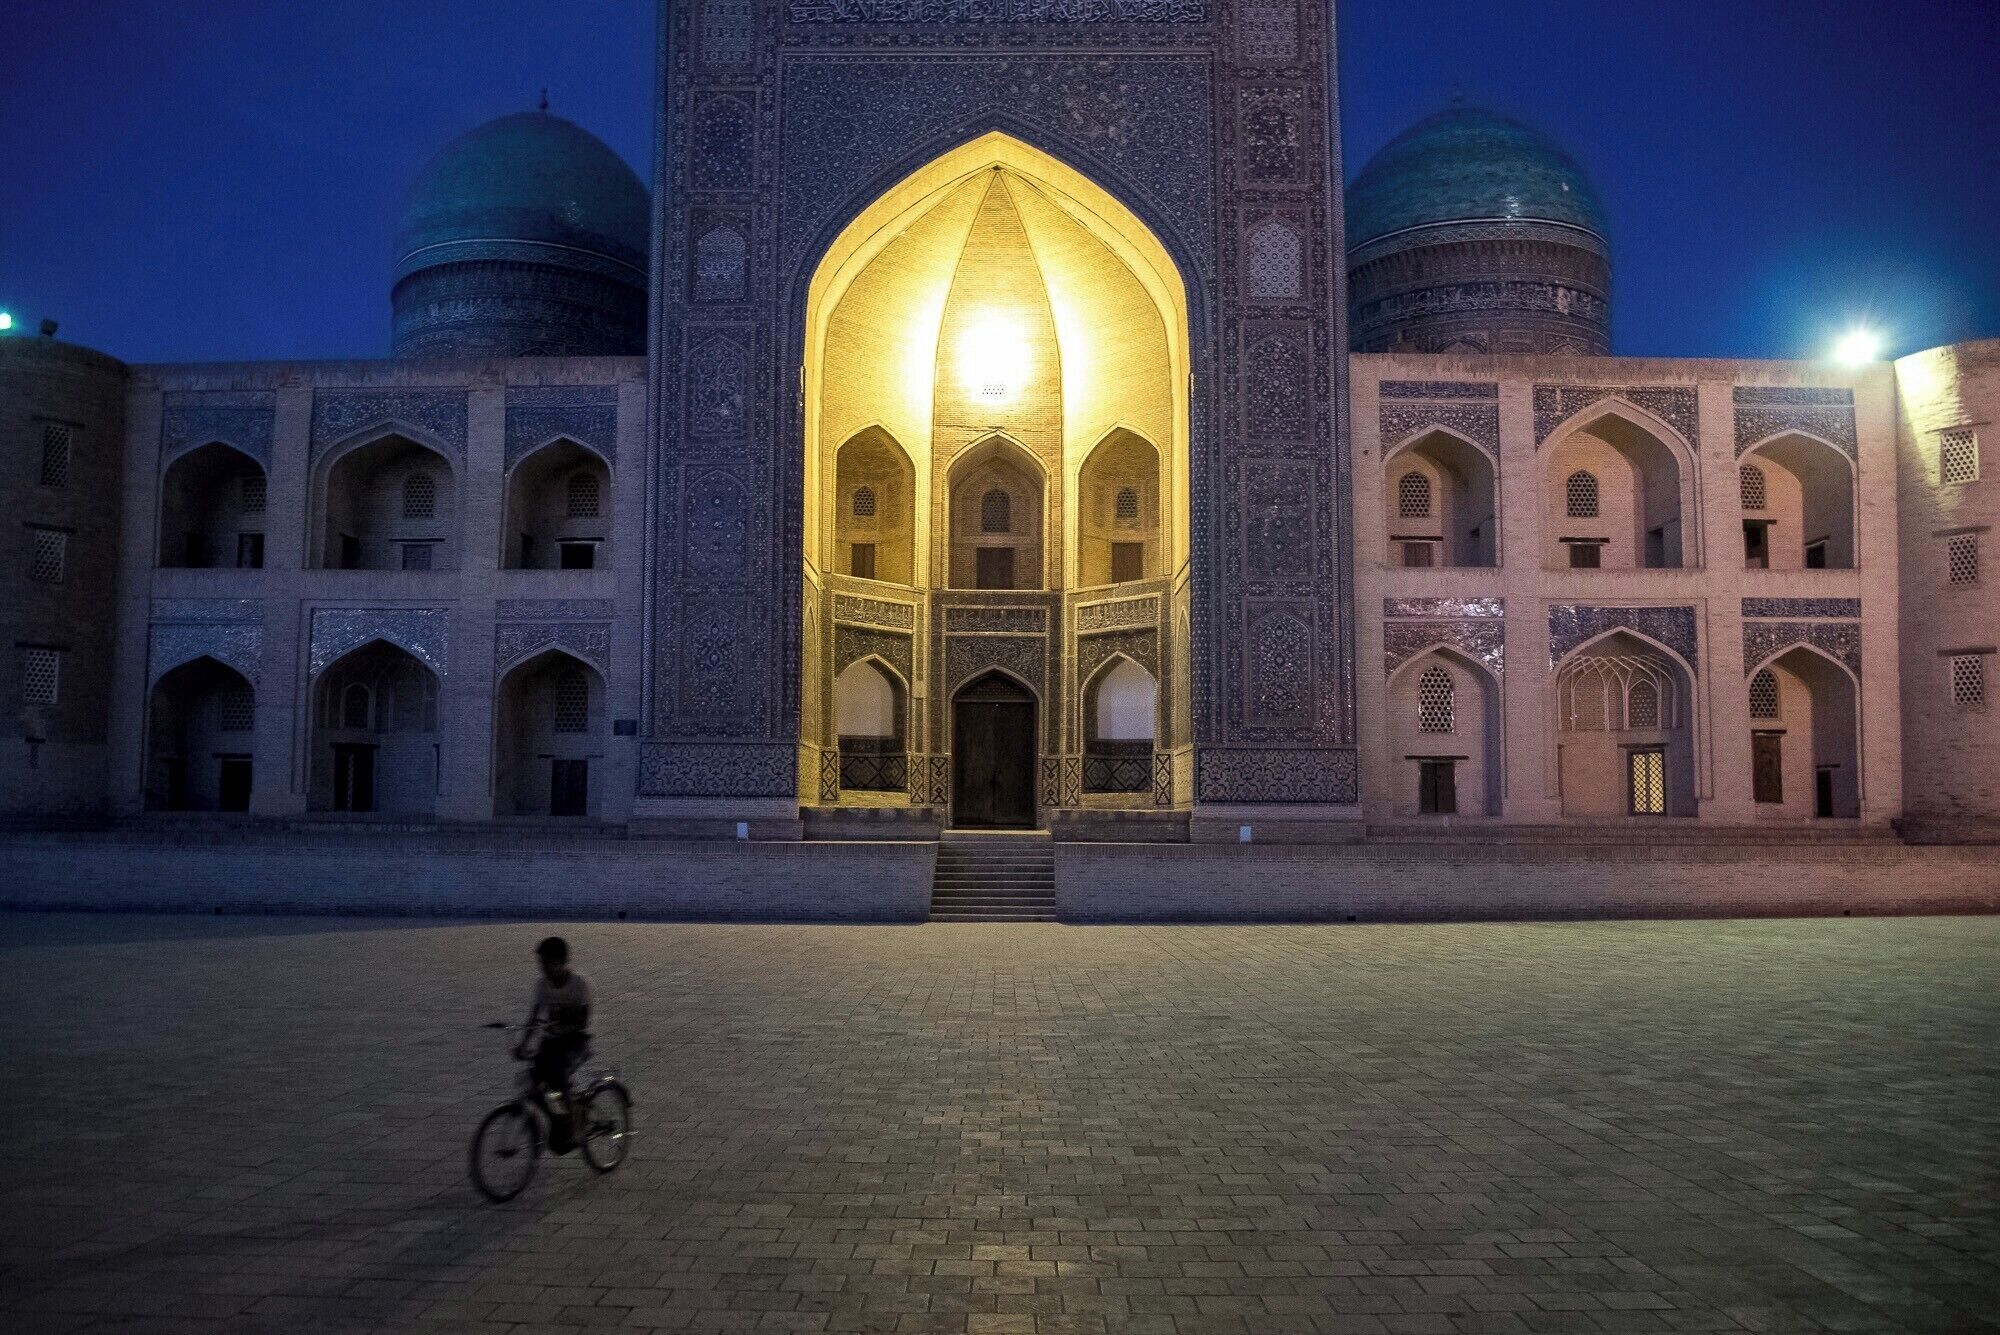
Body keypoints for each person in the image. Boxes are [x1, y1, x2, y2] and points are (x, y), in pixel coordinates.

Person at [514, 935, 593, 1152]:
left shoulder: (579, 984)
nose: (544, 968)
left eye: (548, 963)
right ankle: (558, 1119)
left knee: (558, 1078)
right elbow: (534, 1016)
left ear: (562, 961)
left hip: (575, 1042)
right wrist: (523, 1043)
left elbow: (582, 1021)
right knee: (533, 1085)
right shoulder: (543, 985)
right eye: (541, 963)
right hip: (552, 1042)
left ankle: (574, 1127)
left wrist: (562, 1025)